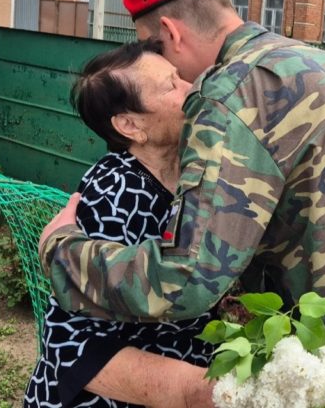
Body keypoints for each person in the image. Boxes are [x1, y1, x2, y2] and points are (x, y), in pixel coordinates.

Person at [39, 0, 325, 407]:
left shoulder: (230, 96)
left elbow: (187, 280)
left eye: (155, 48)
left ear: (171, 32)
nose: (181, 83)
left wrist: (62, 251)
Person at [25, 41, 214, 408]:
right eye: (171, 86)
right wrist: (194, 390)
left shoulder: (191, 172)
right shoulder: (115, 194)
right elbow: (77, 338)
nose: (190, 87)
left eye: (179, 76)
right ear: (131, 125)